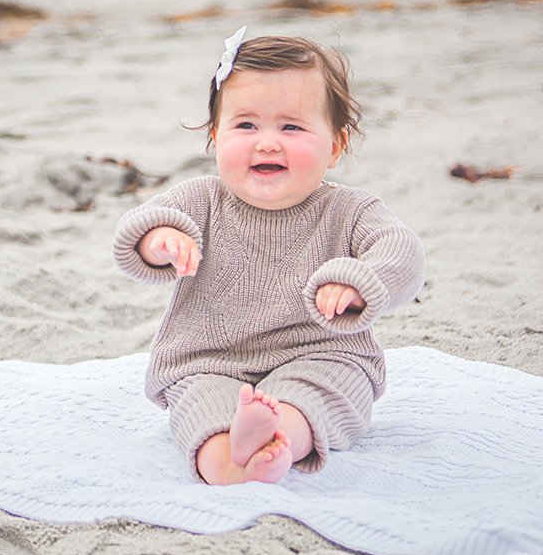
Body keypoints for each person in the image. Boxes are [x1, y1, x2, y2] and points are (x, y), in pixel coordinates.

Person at [113, 28, 424, 484]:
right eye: (246, 125)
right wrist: (158, 239)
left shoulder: (351, 212)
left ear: (334, 146)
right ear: (216, 137)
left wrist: (358, 282)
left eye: (291, 126)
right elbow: (136, 228)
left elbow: (403, 254)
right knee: (198, 404)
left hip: (319, 352)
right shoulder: (199, 200)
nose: (267, 142)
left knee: (329, 391)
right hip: (210, 359)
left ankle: (280, 436)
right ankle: (225, 461)